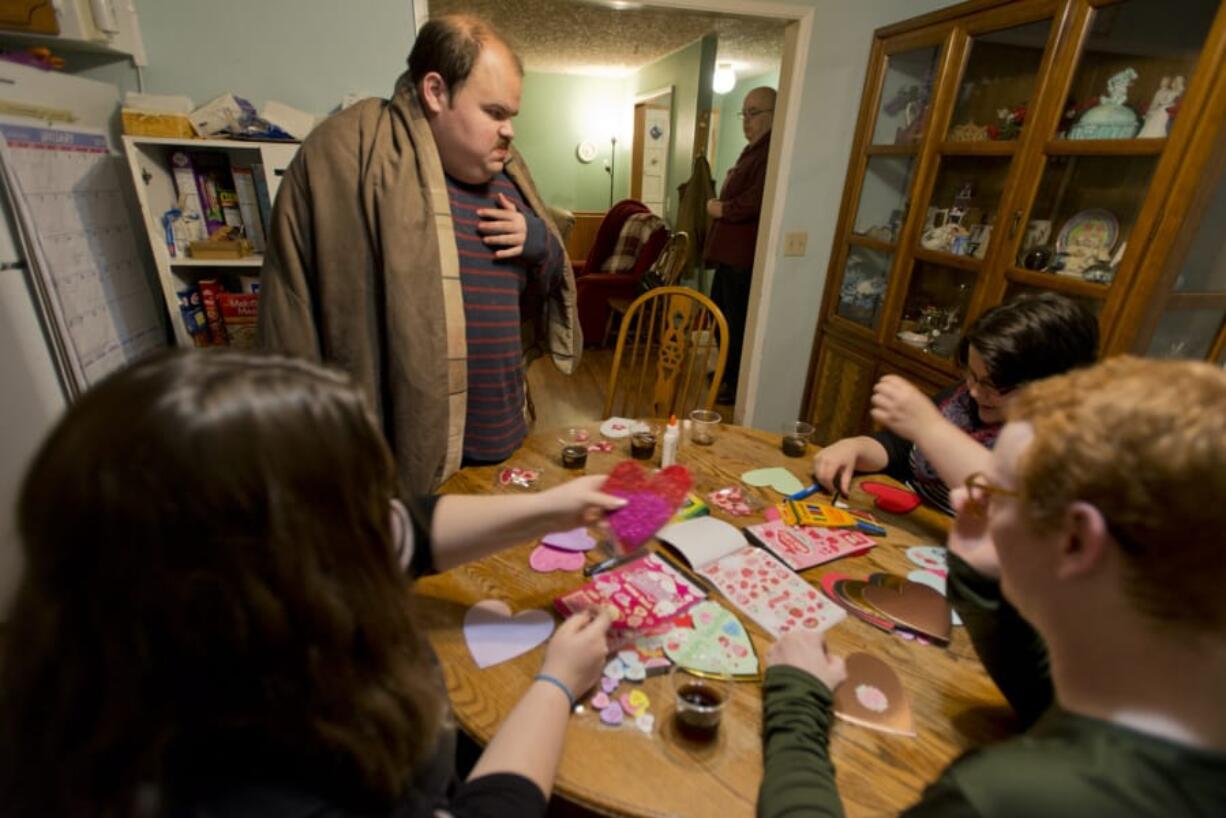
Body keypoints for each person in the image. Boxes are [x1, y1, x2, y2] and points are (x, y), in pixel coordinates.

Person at [0, 350, 625, 818]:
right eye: (355, 507)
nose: (384, 520)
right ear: (281, 579)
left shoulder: (126, 639)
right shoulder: (263, 795)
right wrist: (555, 681)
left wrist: (556, 507)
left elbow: (407, 528)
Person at [760, 356, 1226, 817]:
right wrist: (983, 575)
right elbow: (1045, 690)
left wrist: (797, 698)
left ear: (1077, 540)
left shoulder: (1000, 797)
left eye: (995, 490)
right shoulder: (1170, 684)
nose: (963, 496)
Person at [258, 14, 579, 495]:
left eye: (512, 115)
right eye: (494, 113)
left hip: (505, 436)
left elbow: (547, 282)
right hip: (413, 458)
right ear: (435, 92)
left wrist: (538, 240)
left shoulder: (510, 172)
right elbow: (294, 315)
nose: (509, 131)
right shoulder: (349, 156)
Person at [812, 292, 1098, 514]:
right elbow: (899, 450)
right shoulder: (964, 399)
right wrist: (855, 447)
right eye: (971, 375)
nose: (974, 391)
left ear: (1051, 386)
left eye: (991, 383)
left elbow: (1007, 501)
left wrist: (929, 428)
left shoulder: (1070, 444)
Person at [704, 86, 775, 404]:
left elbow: (755, 200)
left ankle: (733, 381)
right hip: (728, 255)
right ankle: (726, 372)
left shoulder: (770, 151)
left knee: (734, 323)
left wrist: (722, 209)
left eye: (754, 112)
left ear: (774, 114)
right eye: (744, 113)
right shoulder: (753, 150)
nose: (746, 120)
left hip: (741, 258)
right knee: (721, 318)